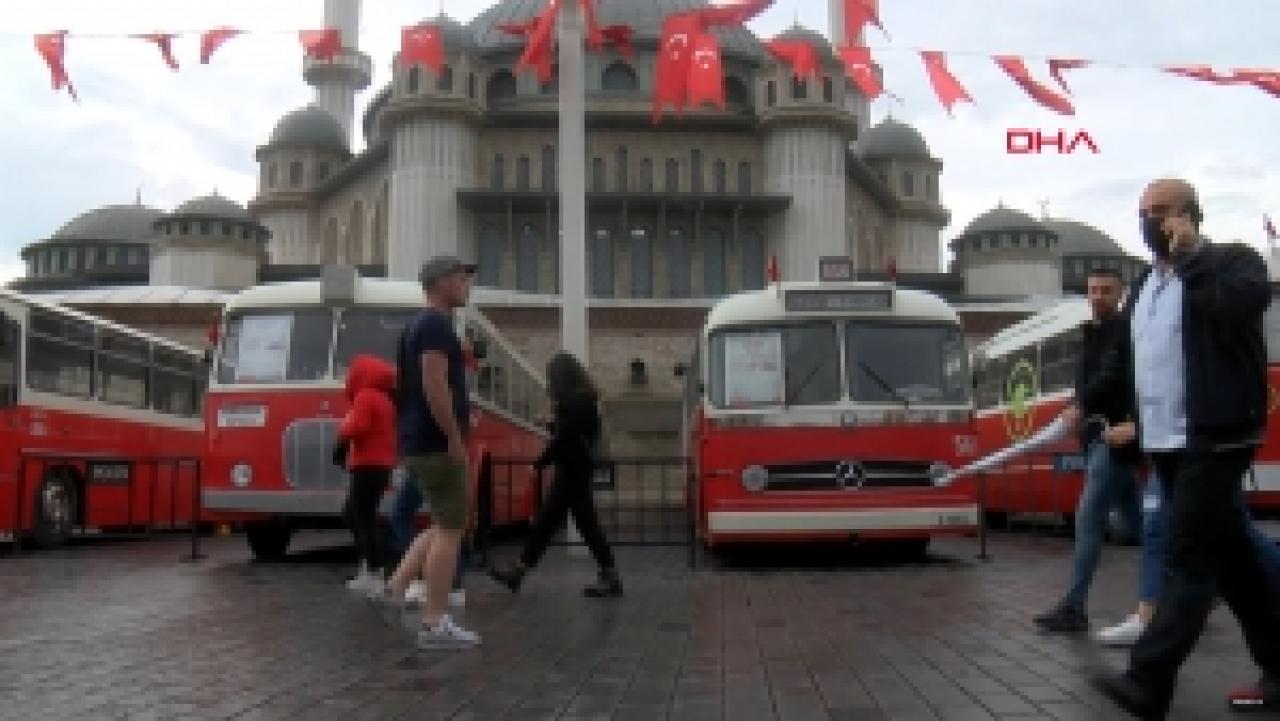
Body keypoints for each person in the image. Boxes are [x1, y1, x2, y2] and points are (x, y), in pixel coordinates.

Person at [1084, 178, 1280, 718]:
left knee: (1187, 559)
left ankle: (1149, 682)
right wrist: (1102, 407)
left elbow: (1238, 308)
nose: (1152, 221)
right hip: (1167, 444)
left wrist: (1191, 255)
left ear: (1191, 215)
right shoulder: (1146, 282)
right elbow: (1136, 361)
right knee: (1236, 564)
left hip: (1216, 436)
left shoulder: (1230, 261)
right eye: (1144, 212)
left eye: (1163, 211)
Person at [376, 255, 480, 650]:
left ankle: (396, 588)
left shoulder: (416, 326)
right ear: (440, 283)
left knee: (442, 521)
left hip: (418, 441)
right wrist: (454, 435)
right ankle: (434, 622)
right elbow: (435, 384)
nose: (465, 285)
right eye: (460, 277)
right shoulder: (436, 324)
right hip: (437, 443)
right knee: (452, 528)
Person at [1095, 428, 1280, 648]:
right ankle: (1150, 616)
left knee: (1172, 528)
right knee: (1222, 528)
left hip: (1191, 442)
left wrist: (1140, 428)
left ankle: (1149, 619)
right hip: (1180, 443)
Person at [1033, 267, 1142, 634]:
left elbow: (1111, 376)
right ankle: (1194, 591)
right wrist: (1079, 407)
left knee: (1088, 517)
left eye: (1106, 290)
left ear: (1120, 293)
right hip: (1101, 437)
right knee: (1143, 526)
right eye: (1093, 290)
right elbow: (1091, 381)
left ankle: (1074, 607)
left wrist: (1081, 407)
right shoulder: (1093, 333)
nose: (1098, 297)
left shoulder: (1123, 329)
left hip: (1114, 438)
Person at [488, 352, 623, 598]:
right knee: (551, 522)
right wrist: (551, 426)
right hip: (573, 471)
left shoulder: (574, 401)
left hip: (572, 472)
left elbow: (566, 438)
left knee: (578, 524)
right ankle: (519, 572)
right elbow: (571, 432)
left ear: (560, 378)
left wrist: (539, 463)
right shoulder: (582, 400)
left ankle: (610, 575)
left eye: (552, 378)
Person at [338, 353, 397, 596]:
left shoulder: (365, 396)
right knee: (361, 515)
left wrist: (342, 429)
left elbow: (358, 426)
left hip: (366, 465)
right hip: (382, 466)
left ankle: (372, 570)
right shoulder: (386, 398)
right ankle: (373, 566)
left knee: (359, 516)